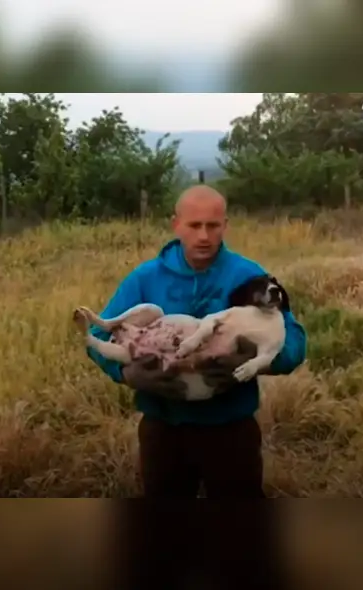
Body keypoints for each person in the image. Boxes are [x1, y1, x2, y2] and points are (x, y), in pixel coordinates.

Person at [85, 184, 308, 498]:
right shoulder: (145, 278)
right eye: (194, 225)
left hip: (230, 428)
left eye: (213, 226)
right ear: (175, 224)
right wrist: (127, 373)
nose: (204, 236)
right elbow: (96, 335)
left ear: (225, 226)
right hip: (163, 428)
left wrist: (253, 360)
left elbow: (295, 342)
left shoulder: (249, 276)